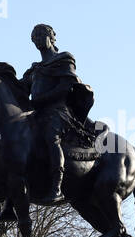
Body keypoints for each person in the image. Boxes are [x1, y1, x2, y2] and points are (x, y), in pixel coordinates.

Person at [20, 23, 94, 203]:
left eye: (40, 35)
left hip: (59, 112)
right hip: (38, 114)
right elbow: (17, 93)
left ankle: (57, 187)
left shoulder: (63, 59)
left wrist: (40, 100)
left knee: (51, 136)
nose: (37, 39)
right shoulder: (34, 69)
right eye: (34, 37)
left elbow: (65, 87)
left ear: (51, 37)